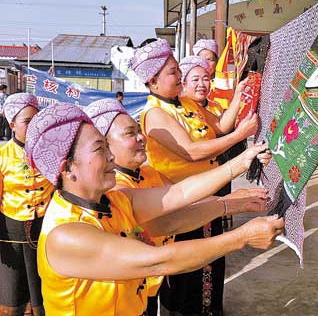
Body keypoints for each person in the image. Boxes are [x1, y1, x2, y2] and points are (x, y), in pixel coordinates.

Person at [26, 102, 283, 315]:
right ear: (67, 168)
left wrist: (240, 163)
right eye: (100, 149)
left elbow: (178, 195)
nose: (111, 157)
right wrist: (242, 237)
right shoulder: (65, 235)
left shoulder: (114, 200)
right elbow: (158, 261)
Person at [85, 98, 267, 316]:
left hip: (143, 288)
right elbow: (169, 221)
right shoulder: (117, 190)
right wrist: (238, 226)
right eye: (130, 133)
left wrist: (235, 199)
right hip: (132, 289)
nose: (142, 137)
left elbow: (183, 196)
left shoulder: (148, 173)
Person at [132, 39, 259, 315]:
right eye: (173, 73)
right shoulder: (155, 113)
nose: (180, 77)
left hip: (204, 195)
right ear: (153, 80)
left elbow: (222, 125)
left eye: (179, 71)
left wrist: (240, 92)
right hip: (181, 202)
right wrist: (241, 136)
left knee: (209, 266)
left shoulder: (185, 103)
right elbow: (191, 152)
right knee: (186, 274)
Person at [0, 93, 54, 315]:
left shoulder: (52, 152)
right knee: (13, 294)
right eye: (27, 121)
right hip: (10, 234)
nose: (34, 126)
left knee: (42, 292)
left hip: (44, 231)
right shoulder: (2, 157)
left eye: (37, 119)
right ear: (12, 124)